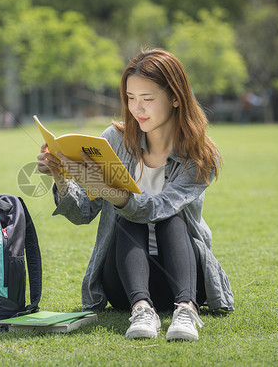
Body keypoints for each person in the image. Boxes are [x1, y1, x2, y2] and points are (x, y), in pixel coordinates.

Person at [36, 49, 234, 341]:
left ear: (176, 98)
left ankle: (186, 310)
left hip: (184, 276)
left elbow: (156, 208)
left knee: (167, 218)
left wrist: (106, 188)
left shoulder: (200, 155)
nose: (136, 108)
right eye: (130, 98)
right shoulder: (114, 140)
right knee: (126, 219)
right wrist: (61, 176)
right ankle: (142, 310)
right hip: (125, 282)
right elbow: (83, 213)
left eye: (147, 99)